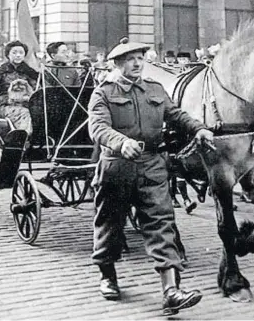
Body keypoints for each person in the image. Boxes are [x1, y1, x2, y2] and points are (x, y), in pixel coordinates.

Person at [87, 37, 212, 315]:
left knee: (161, 223)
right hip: (117, 167)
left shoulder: (154, 89)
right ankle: (107, 276)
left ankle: (171, 291)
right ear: (118, 64)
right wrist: (120, 142)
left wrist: (198, 128)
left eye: (140, 58)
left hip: (152, 165)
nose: (137, 63)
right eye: (130, 59)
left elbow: (175, 114)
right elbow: (97, 128)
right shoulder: (103, 92)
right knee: (110, 223)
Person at [0, 40, 38, 132]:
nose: (18, 55)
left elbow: (37, 89)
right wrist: (6, 99)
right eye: (14, 52)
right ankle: (24, 139)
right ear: (8, 55)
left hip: (26, 104)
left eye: (21, 53)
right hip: (3, 108)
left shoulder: (29, 73)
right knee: (24, 114)